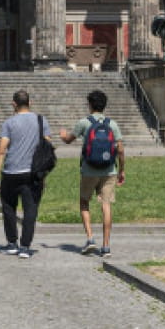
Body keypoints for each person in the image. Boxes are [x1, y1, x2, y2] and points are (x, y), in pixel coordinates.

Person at [59, 89, 125, 256]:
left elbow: (68, 140)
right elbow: (121, 150)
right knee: (106, 205)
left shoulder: (84, 123)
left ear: (90, 105)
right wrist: (121, 170)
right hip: (109, 170)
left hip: (89, 169)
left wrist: (63, 135)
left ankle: (90, 239)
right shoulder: (112, 124)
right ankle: (106, 246)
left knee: (84, 202)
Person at [0, 90, 48, 257]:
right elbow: (47, 148)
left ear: (13, 104)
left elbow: (1, 150)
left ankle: (11, 243)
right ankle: (25, 246)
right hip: (32, 173)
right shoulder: (41, 121)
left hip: (11, 171)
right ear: (30, 103)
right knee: (30, 209)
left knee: (9, 208)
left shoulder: (9, 123)